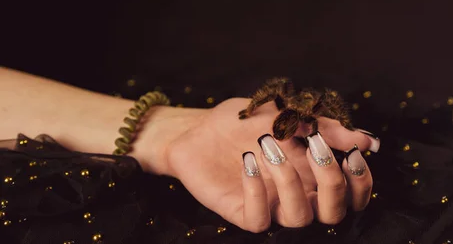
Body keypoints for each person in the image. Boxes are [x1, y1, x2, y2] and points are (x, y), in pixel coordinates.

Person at [0, 66, 380, 233]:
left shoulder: (295, 111)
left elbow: (279, 91)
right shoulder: (302, 109)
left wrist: (177, 131)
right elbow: (296, 93)